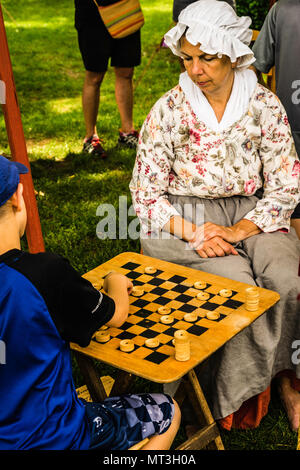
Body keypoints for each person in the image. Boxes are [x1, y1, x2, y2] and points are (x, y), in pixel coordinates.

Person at [130, 0, 300, 432]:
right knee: (239, 289)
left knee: (286, 279)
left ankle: (288, 380)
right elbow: (145, 194)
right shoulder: (168, 109)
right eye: (187, 58)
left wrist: (240, 228)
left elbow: (284, 184)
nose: (195, 69)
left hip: (252, 209)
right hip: (182, 214)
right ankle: (228, 398)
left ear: (232, 53)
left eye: (206, 57)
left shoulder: (264, 103)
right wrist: (196, 232)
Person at [0, 155, 181, 450]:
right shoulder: (45, 275)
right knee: (167, 411)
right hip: (57, 438)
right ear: (18, 199)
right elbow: (117, 315)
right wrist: (116, 281)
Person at [252, 0, 300, 238]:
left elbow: (254, 67)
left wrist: (266, 105)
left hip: (288, 127)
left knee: (291, 198)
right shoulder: (282, 10)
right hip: (289, 131)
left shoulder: (282, 10)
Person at [74, 0, 141, 158]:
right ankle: (91, 138)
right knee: (95, 76)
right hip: (92, 13)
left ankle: (127, 133)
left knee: (126, 71)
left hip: (125, 8)